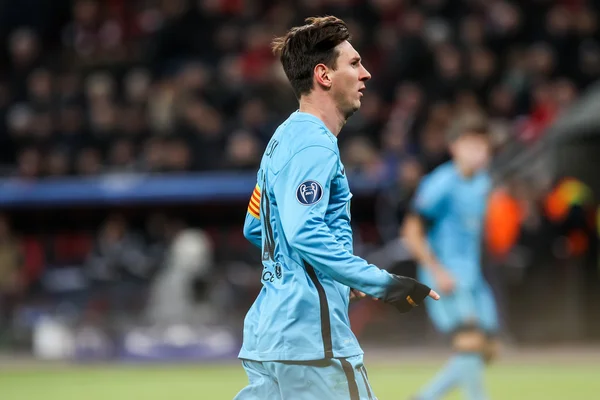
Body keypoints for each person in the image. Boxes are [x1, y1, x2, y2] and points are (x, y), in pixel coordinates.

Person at [235, 16, 439, 400]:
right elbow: (302, 231)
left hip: (269, 337)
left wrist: (334, 273)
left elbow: (255, 225)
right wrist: (380, 283)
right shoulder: (315, 145)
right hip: (311, 340)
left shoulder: (282, 138)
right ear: (324, 76)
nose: (366, 74)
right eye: (354, 63)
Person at [402, 112, 500, 400]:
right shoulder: (440, 183)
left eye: (483, 146)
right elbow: (411, 231)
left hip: (472, 278)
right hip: (445, 276)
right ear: (454, 146)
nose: (479, 153)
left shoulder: (483, 182)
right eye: (472, 145)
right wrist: (436, 271)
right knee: (469, 344)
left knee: (489, 349)